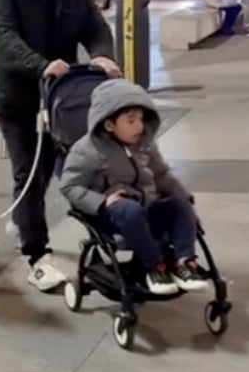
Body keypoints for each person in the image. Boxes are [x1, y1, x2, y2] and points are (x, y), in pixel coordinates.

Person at [0, 0, 120, 291]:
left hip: (64, 101)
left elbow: (97, 29)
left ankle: (102, 233)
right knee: (28, 174)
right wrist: (43, 66)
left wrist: (102, 56)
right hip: (19, 100)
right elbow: (4, 39)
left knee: (72, 170)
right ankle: (36, 254)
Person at [59, 79, 209, 295]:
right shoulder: (86, 150)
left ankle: (184, 262)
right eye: (131, 121)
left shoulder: (144, 144)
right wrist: (102, 202)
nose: (139, 126)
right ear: (109, 124)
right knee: (129, 209)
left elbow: (162, 175)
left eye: (140, 119)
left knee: (179, 204)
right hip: (113, 215)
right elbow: (70, 186)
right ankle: (154, 266)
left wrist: (185, 201)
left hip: (148, 208)